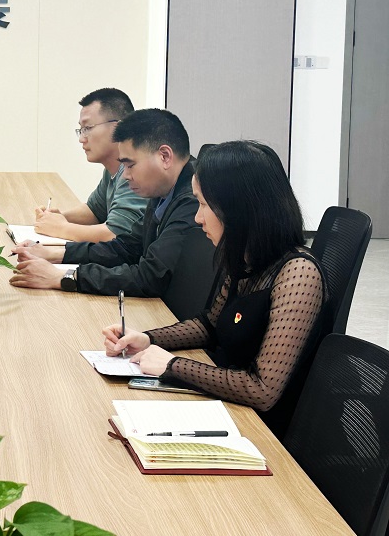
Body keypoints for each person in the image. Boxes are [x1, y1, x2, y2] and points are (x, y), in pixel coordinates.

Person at [101, 141, 326, 434]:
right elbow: (210, 325)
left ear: (238, 209)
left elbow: (262, 390)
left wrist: (173, 366)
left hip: (261, 431)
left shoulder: (298, 273)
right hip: (227, 406)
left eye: (204, 205)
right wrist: (147, 339)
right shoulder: (246, 256)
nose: (197, 218)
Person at [10, 108, 200, 296]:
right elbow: (126, 248)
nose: (125, 175)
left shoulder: (193, 201)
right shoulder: (164, 189)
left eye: (130, 165)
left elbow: (149, 277)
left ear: (165, 156)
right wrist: (56, 254)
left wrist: (65, 277)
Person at [33, 88, 145, 243]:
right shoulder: (112, 170)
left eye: (87, 128)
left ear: (118, 128)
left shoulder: (134, 171)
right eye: (81, 130)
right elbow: (95, 211)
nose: (81, 139)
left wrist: (61, 228)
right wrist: (59, 217)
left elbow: (116, 234)